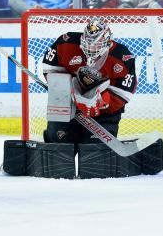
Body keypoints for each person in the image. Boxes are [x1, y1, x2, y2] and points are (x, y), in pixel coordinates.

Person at [42, 19, 137, 147]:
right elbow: (51, 69)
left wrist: (102, 101)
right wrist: (67, 91)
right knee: (58, 142)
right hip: (69, 105)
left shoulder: (123, 57)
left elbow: (124, 91)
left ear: (108, 41)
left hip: (104, 113)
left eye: (96, 44)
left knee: (95, 149)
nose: (91, 48)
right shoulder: (65, 43)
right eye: (87, 43)